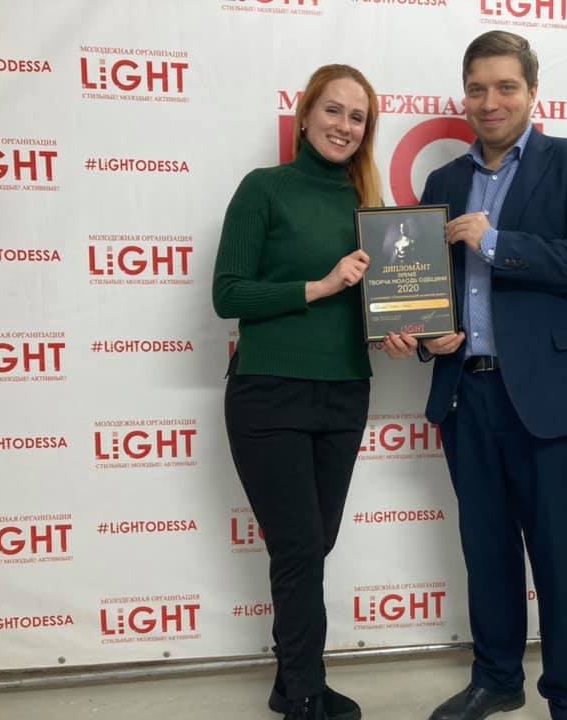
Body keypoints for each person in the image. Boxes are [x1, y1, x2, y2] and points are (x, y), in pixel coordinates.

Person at [383, 31, 567, 720]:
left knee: (561, 557)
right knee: (485, 551)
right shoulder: (443, 183)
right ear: (465, 96)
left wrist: (492, 241)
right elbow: (428, 291)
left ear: (532, 92)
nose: (490, 101)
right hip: (467, 394)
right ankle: (496, 678)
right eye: (478, 88)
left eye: (506, 87)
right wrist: (422, 338)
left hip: (552, 398)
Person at [213, 64, 383, 720]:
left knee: (316, 543)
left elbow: (383, 303)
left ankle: (292, 682)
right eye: (333, 110)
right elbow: (228, 293)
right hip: (270, 392)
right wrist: (320, 285)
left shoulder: (370, 207)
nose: (344, 125)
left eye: (357, 117)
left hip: (344, 393)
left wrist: (403, 330)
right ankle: (306, 695)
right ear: (306, 115)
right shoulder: (264, 188)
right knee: (299, 548)